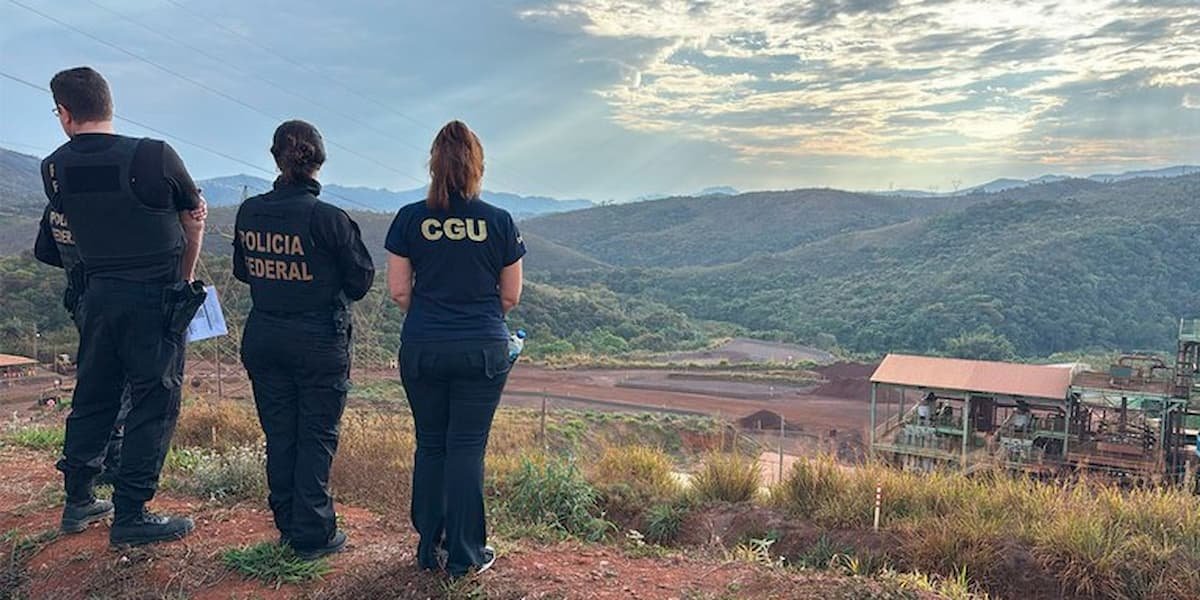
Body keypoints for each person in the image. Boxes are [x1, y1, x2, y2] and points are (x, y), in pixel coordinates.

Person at [41, 66, 207, 546]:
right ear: (109, 103)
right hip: (154, 298)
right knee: (155, 400)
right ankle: (131, 512)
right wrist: (185, 278)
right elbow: (193, 221)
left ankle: (78, 499)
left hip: (95, 296)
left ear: (65, 113)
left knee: (94, 396)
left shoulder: (53, 167)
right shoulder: (155, 155)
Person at [386, 120, 526, 578]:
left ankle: (430, 549)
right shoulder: (499, 221)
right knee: (466, 448)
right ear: (477, 167)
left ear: (433, 165)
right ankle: (466, 555)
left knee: (431, 444)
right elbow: (511, 296)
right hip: (481, 350)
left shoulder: (409, 219)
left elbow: (399, 291)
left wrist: (433, 319)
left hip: (423, 347)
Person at [233, 120, 374, 561]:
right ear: (320, 161)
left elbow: (242, 271)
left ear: (275, 158)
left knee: (280, 433)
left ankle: (287, 523)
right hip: (318, 340)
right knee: (316, 434)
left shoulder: (249, 212)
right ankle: (312, 532)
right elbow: (360, 281)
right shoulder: (329, 219)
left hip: (264, 334)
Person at [33, 198, 205, 495]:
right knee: (125, 389)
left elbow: (44, 251)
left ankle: (87, 479)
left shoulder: (59, 206)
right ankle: (114, 467)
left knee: (98, 387)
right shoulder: (105, 205)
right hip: (117, 301)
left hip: (84, 299)